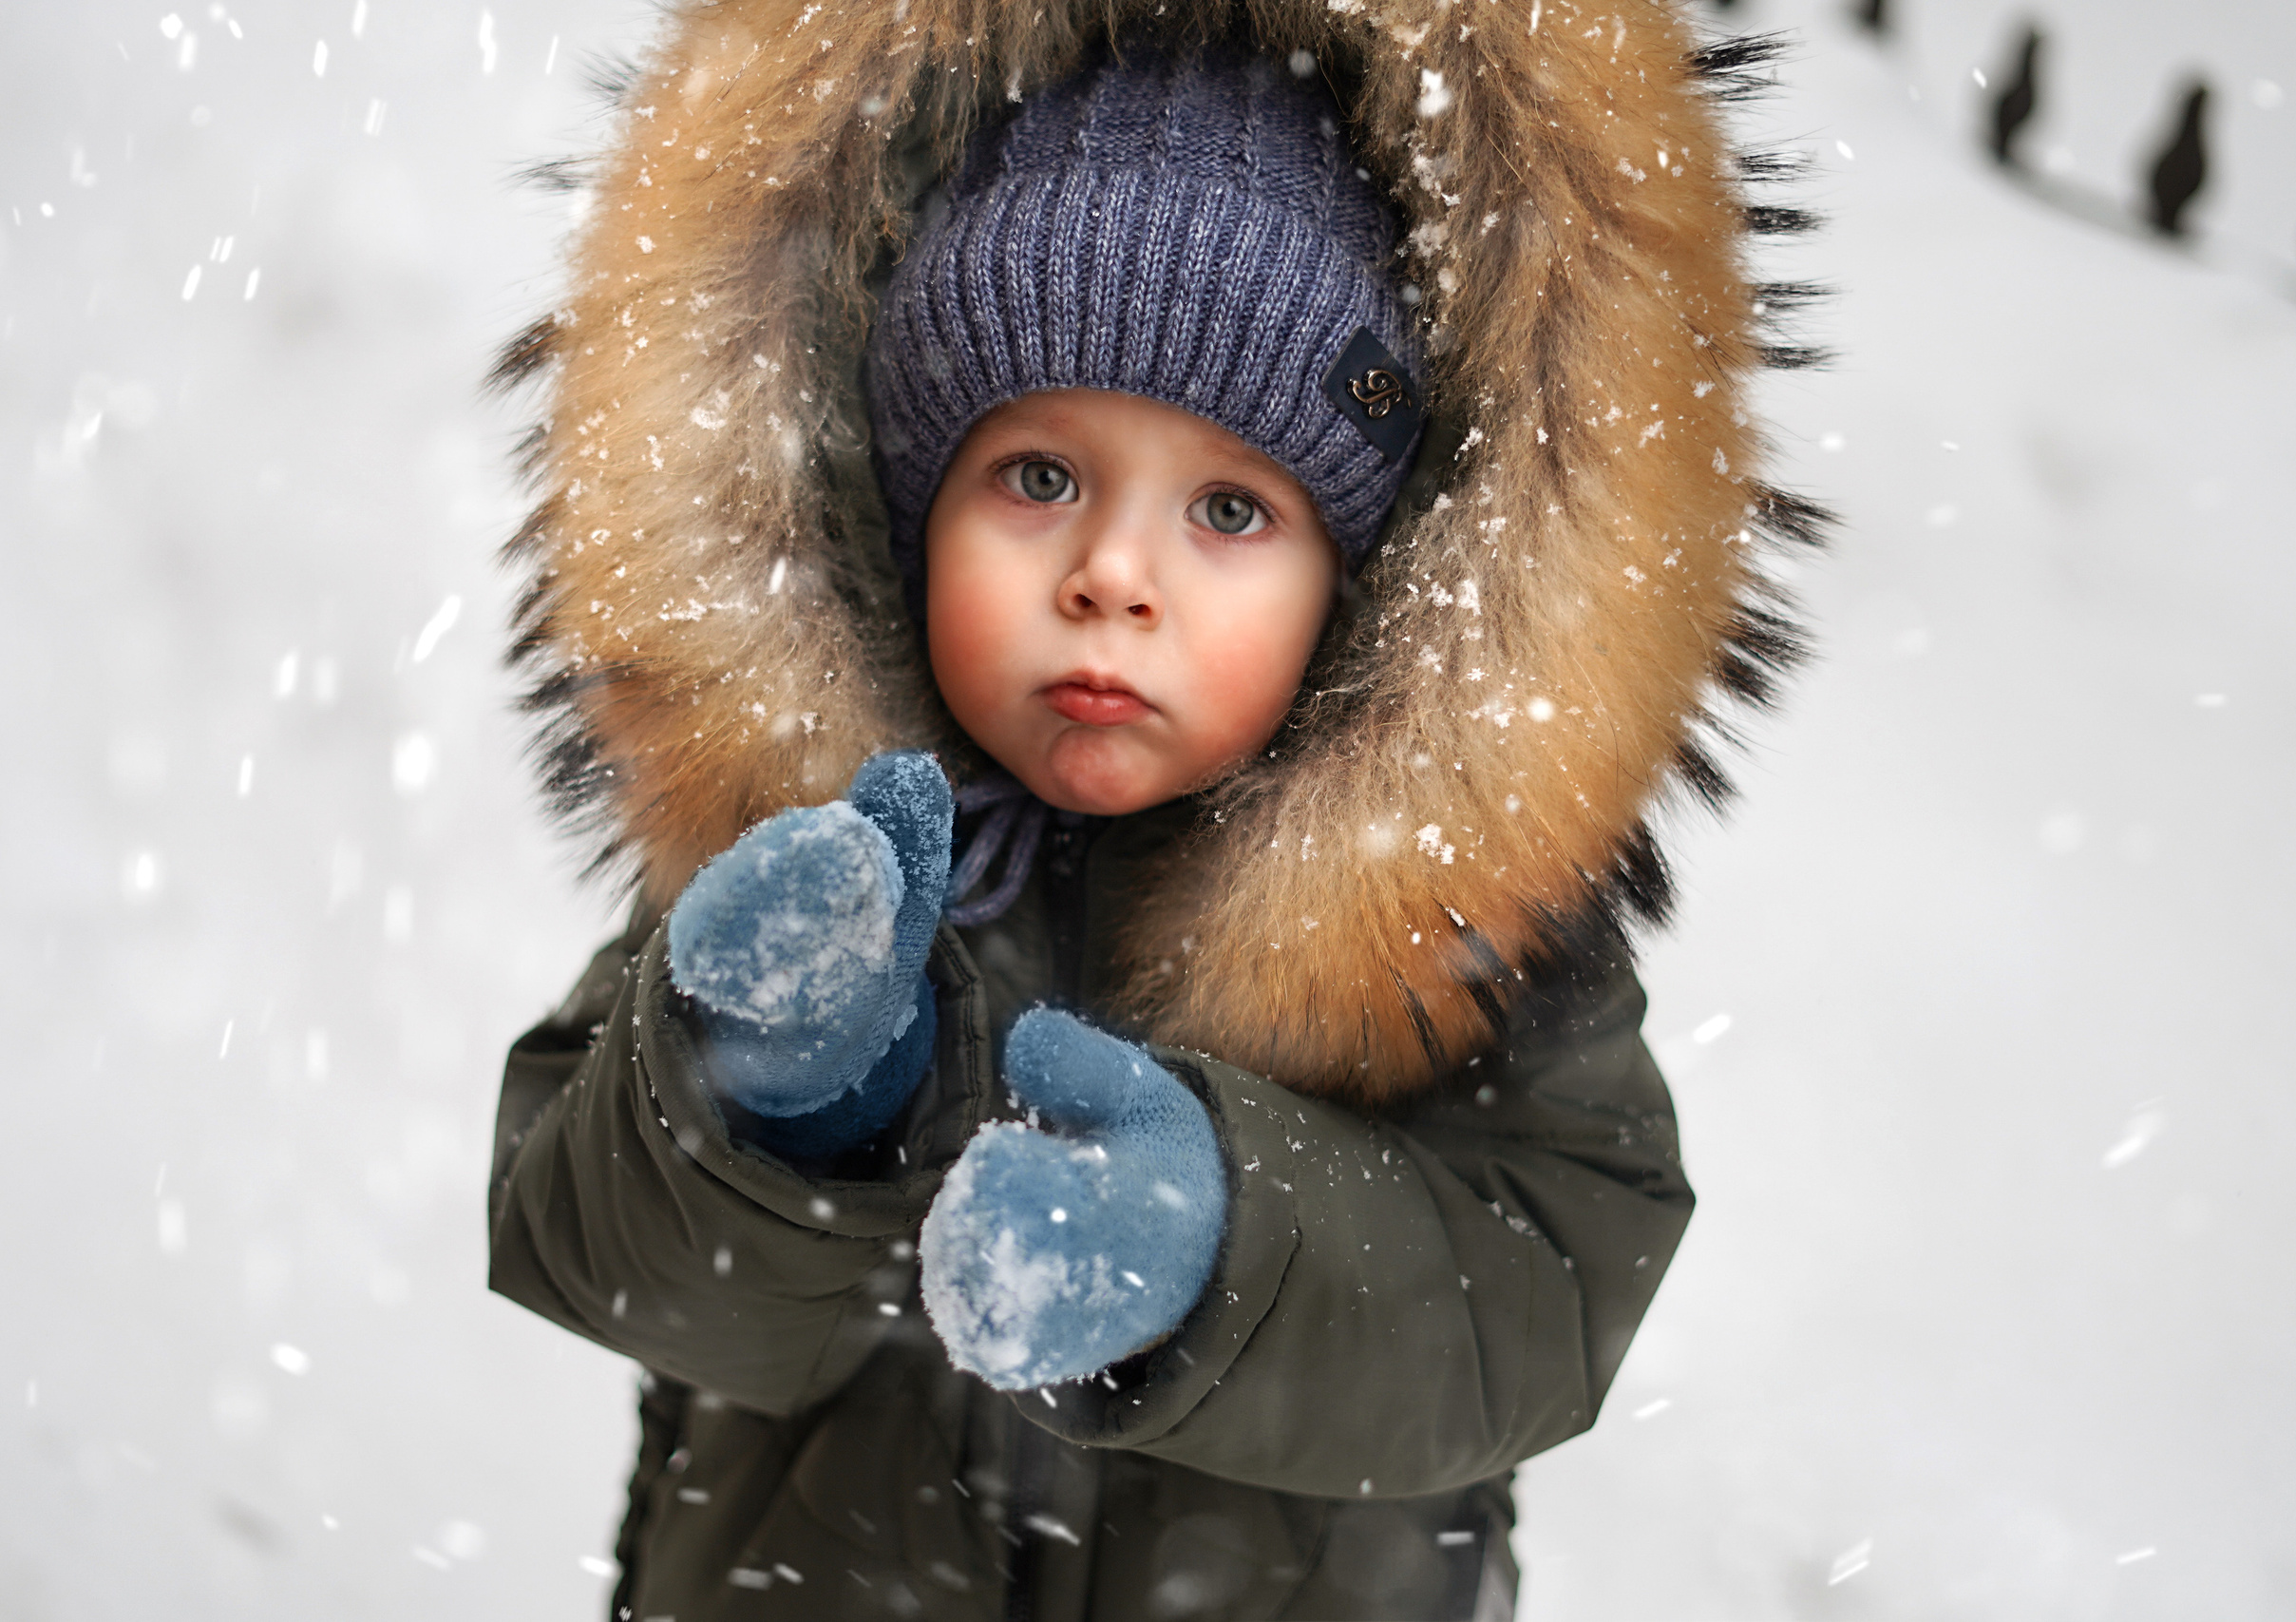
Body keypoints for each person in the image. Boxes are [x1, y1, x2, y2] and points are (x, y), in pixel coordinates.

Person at [485, 6, 1816, 1617]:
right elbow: (591, 1252)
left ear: (1363, 587)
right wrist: (770, 1105)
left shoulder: (1453, 924)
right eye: (1038, 477)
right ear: (910, 513)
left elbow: (1542, 1298)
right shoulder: (818, 860)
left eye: (1232, 510)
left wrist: (1224, 1257)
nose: (1113, 575)